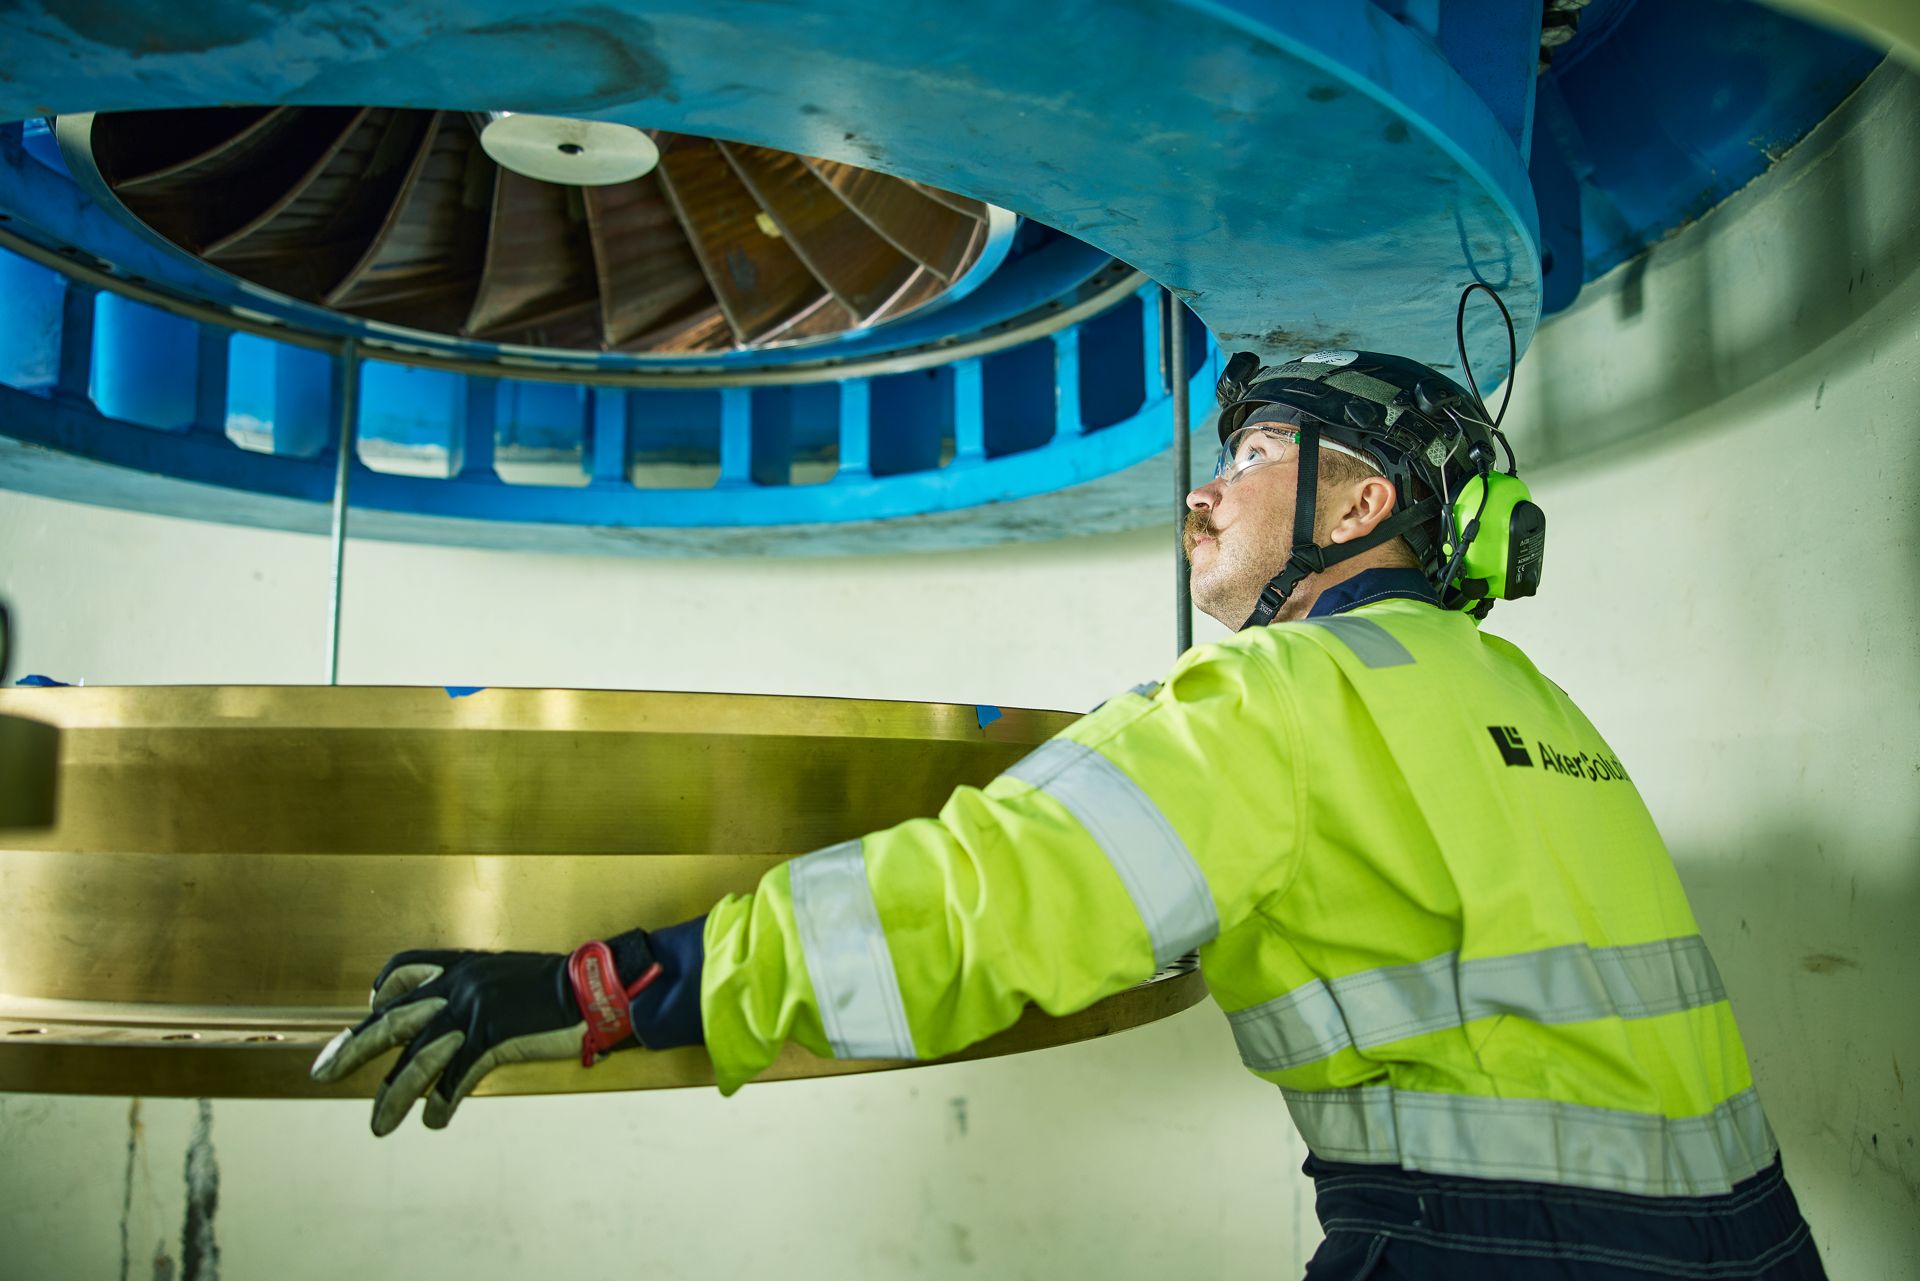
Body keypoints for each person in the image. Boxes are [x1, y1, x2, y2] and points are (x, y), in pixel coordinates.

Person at [312, 346, 1823, 1278]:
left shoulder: (1288, 695)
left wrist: (620, 984)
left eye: (1252, 456)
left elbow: (984, 900)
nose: (1201, 496)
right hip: (1759, 1241)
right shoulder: (1541, 711)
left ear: (1361, 507)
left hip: (1486, 1256)